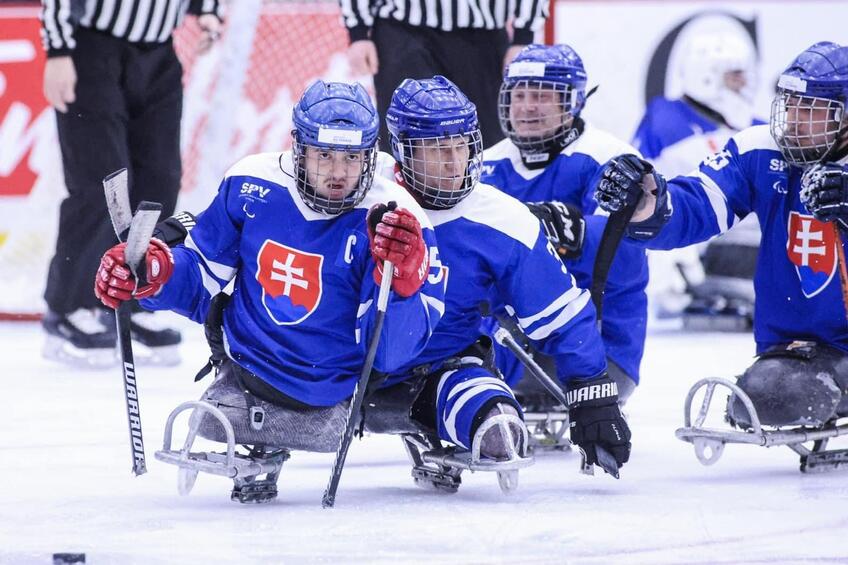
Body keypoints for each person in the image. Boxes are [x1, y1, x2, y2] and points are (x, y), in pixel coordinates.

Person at [94, 80, 449, 501]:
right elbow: (202, 282)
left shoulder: (396, 217)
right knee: (214, 410)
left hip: (331, 392)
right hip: (248, 374)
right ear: (298, 148)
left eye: (352, 157)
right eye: (324, 155)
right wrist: (154, 272)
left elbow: (390, 353)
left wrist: (404, 284)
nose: (337, 172)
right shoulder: (251, 183)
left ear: (370, 155)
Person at [370, 75, 631, 476]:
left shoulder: (503, 217)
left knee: (501, 433)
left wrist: (592, 394)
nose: (455, 163)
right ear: (404, 150)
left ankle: (444, 418)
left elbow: (559, 311)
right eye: (438, 150)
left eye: (462, 146)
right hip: (342, 368)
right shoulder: (361, 194)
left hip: (441, 372)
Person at [594, 42, 848, 437]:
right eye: (790, 105)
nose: (794, 121)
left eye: (811, 110)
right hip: (797, 350)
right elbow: (699, 202)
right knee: (770, 395)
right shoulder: (760, 150)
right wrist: (648, 203)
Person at [39, 0, 223, 367]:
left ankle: (138, 297)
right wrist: (58, 50)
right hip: (92, 47)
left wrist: (207, 9)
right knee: (101, 181)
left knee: (161, 177)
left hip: (159, 53)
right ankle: (69, 306)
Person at [482, 44, 649, 408]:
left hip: (598, 349)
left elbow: (628, 259)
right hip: (506, 339)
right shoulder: (485, 165)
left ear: (571, 102)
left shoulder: (611, 158)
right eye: (519, 94)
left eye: (541, 95)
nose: (527, 106)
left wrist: (576, 232)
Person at [632, 30, 764, 327]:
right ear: (707, 76)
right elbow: (647, 199)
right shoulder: (667, 121)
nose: (744, 84)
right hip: (701, 247)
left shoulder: (756, 129)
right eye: (735, 76)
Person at [338, 0, 548, 152]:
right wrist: (358, 32)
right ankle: (400, 211)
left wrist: (524, 35)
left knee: (488, 142)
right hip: (403, 30)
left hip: (483, 35)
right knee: (406, 137)